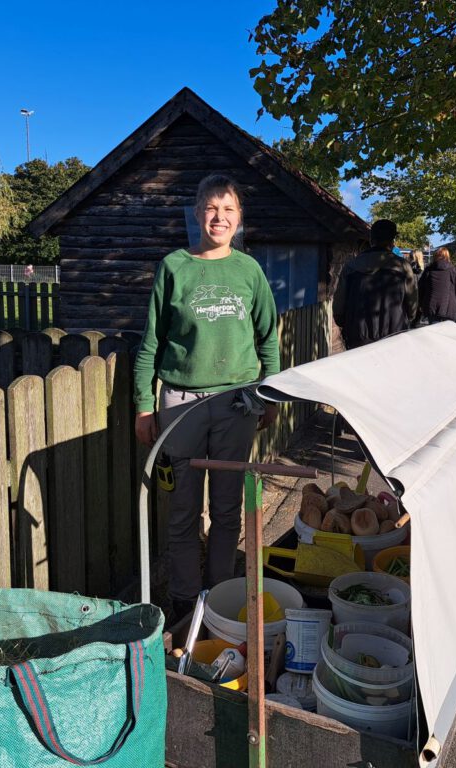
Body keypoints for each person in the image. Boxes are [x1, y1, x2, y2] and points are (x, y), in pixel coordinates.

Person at [132, 173, 280, 619]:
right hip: (180, 405)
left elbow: (269, 339)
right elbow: (151, 344)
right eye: (211, 208)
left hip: (236, 403)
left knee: (227, 507)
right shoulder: (174, 266)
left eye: (228, 209)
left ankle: (216, 595)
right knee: (182, 510)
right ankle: (183, 596)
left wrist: (269, 393)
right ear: (197, 214)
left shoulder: (249, 270)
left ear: (238, 218)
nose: (219, 217)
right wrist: (143, 405)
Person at [332, 219, 419, 349]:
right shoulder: (403, 267)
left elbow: (339, 306)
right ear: (392, 241)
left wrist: (345, 323)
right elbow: (412, 307)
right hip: (394, 335)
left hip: (358, 337)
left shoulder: (351, 266)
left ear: (372, 239)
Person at [419, 246, 456, 324]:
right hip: (450, 308)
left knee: (434, 333)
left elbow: (421, 288)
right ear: (447, 256)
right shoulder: (454, 270)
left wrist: (420, 304)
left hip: (431, 307)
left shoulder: (428, 270)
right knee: (447, 334)